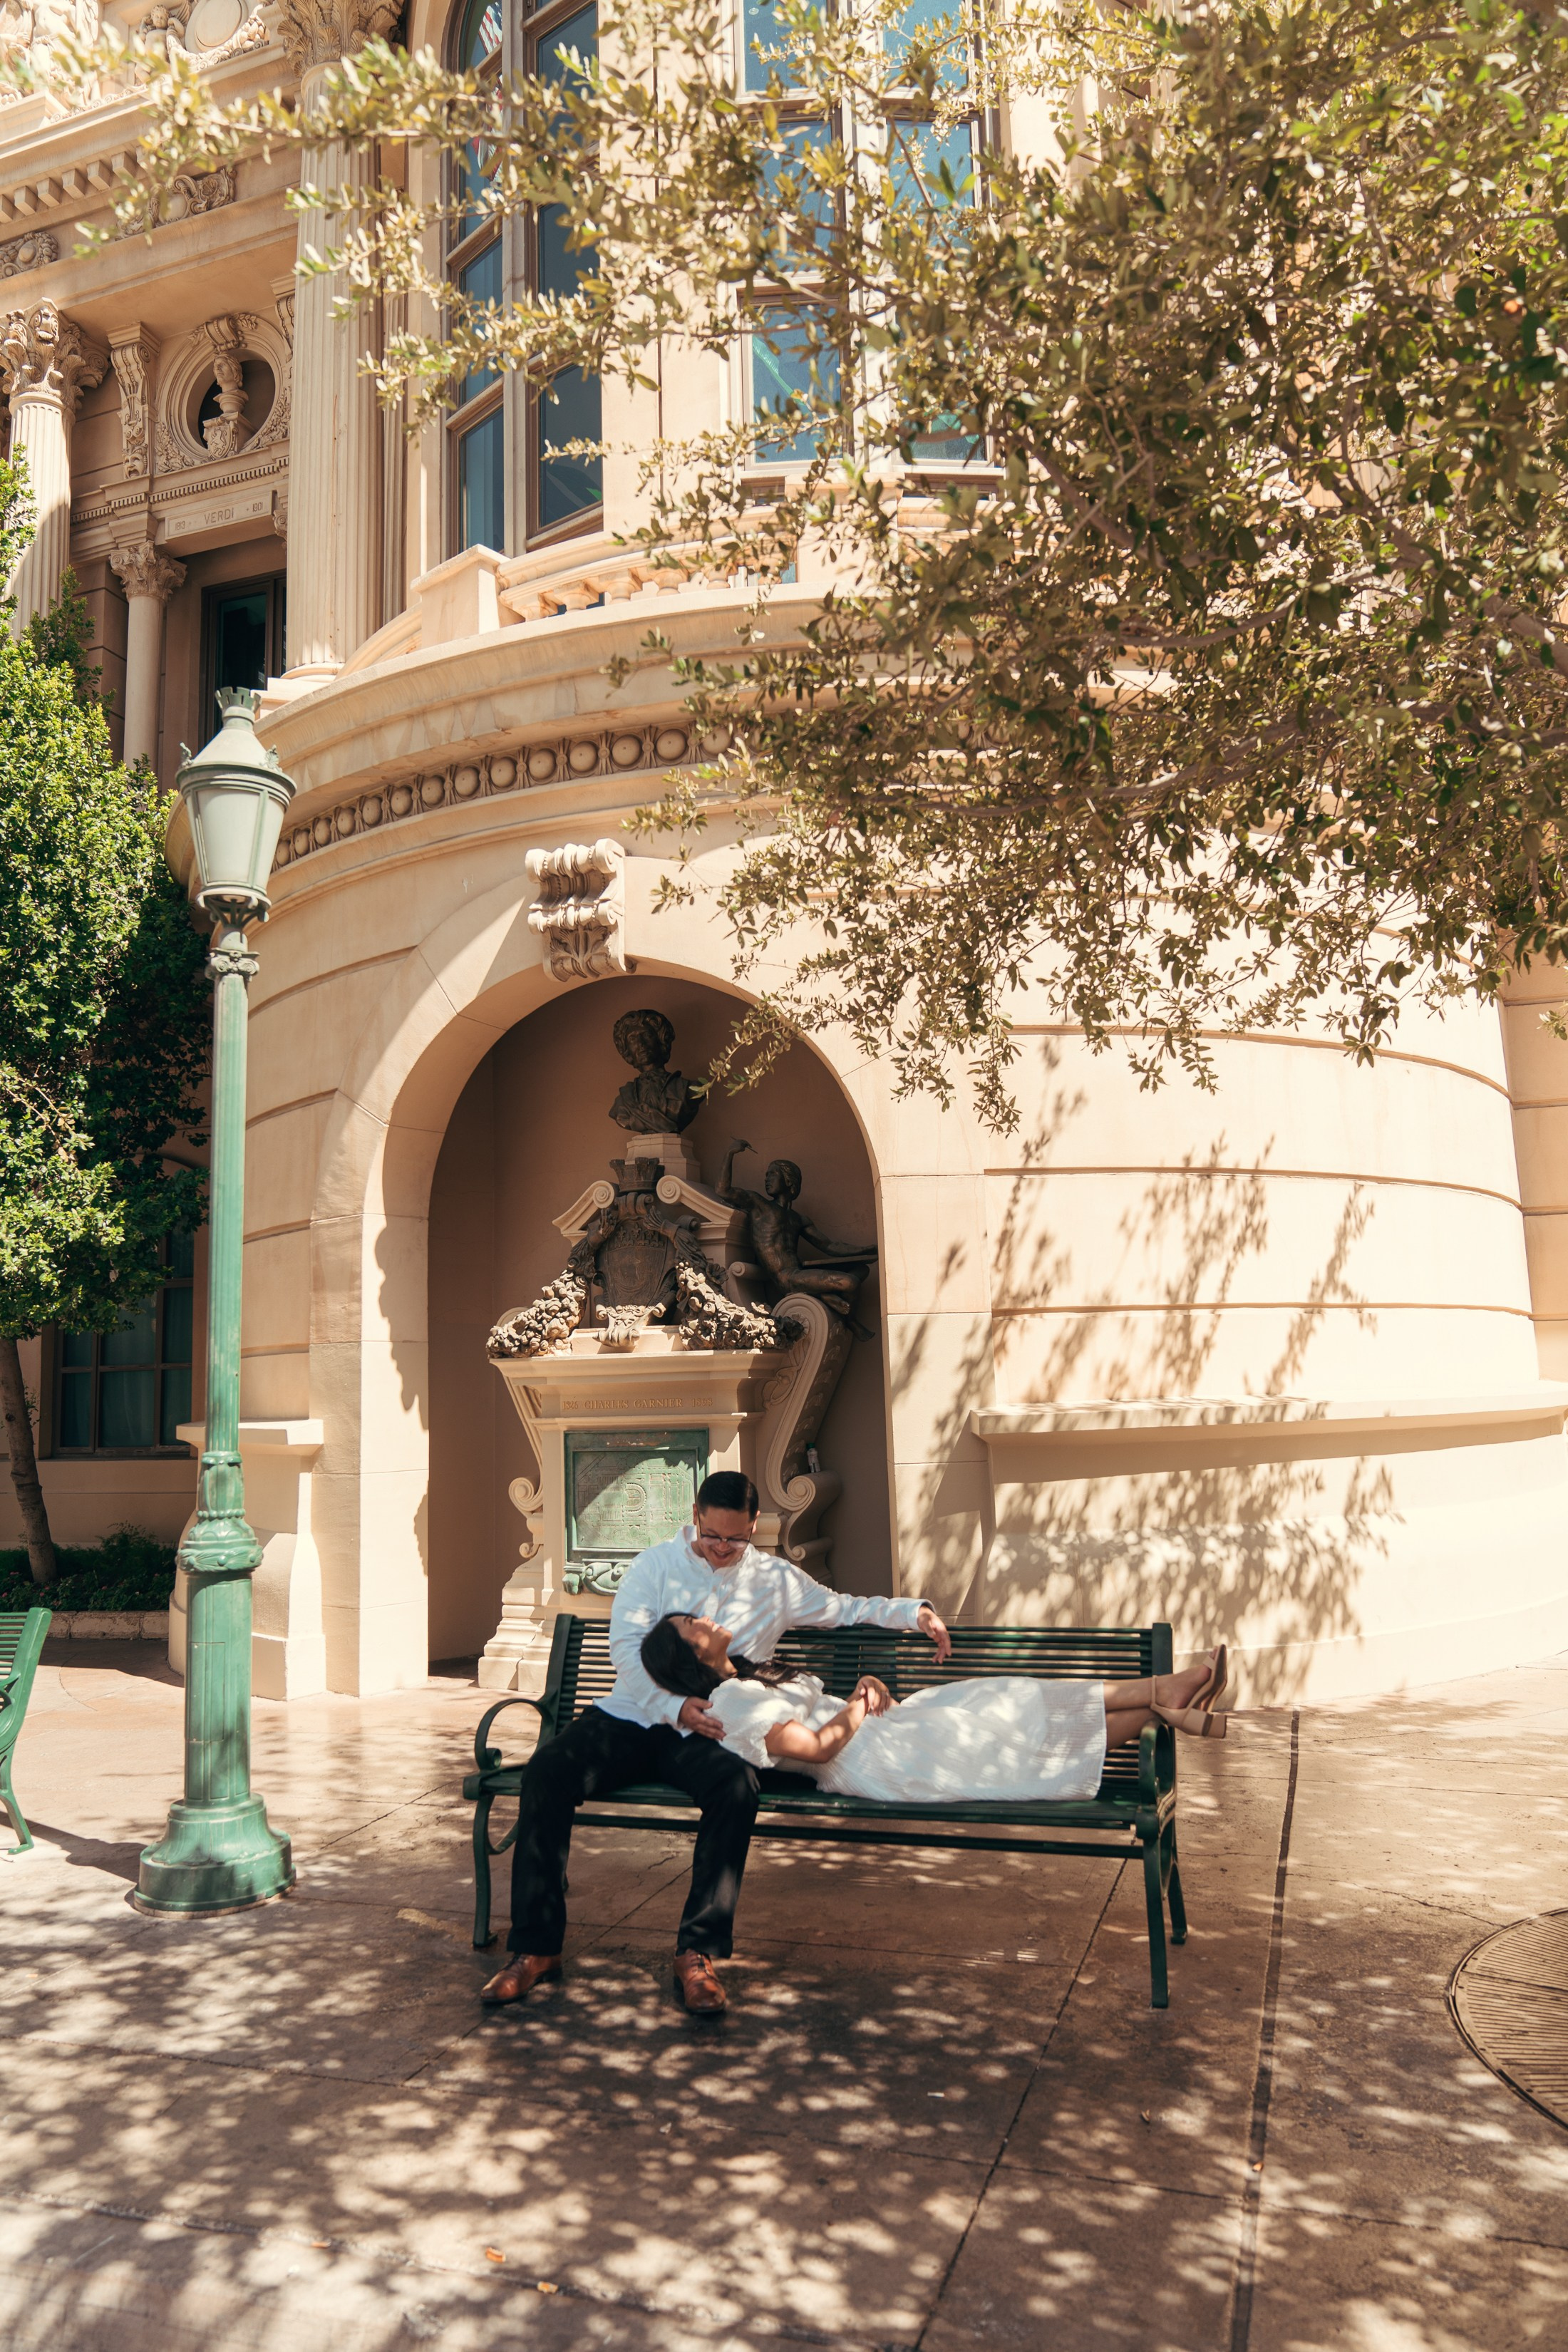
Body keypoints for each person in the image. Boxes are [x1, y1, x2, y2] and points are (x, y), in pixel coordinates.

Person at [480, 1470, 952, 2015]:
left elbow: (846, 1607)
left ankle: (697, 1953)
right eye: (713, 1536)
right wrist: (674, 1707)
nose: (723, 1549)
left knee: (735, 1787)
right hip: (633, 1717)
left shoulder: (776, 1579)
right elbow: (627, 1649)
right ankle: (535, 1950)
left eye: (736, 1538)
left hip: (713, 1728)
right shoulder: (654, 1565)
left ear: (754, 1525)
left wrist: (913, 1613)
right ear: (697, 1515)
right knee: (547, 1773)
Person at [638, 1614, 1230, 1805]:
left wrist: (867, 1690)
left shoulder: (747, 1677)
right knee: (1005, 1724)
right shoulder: (728, 1705)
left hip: (884, 1730)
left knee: (1005, 1697)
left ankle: (1163, 1697)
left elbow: (831, 1713)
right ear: (689, 1655)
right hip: (874, 1762)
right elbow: (815, 1749)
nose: (704, 1618)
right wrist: (859, 1704)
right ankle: (1165, 1698)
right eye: (691, 1623)